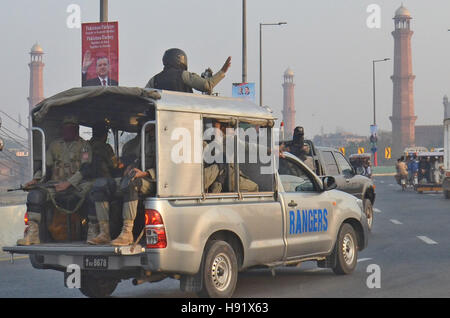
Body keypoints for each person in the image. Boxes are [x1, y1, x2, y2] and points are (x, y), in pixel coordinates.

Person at [17, 116, 93, 246]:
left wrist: (68, 183)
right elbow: (46, 166)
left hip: (78, 185)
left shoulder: (85, 146)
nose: (67, 131)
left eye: (70, 128)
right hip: (56, 185)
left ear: (76, 130)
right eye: (65, 128)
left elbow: (86, 169)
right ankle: (33, 234)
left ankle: (92, 232)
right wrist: (35, 179)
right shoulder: (54, 145)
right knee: (35, 195)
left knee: (93, 193)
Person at [88, 124, 156, 246]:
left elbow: (168, 167)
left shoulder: (164, 139)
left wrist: (145, 173)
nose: (146, 129)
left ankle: (127, 232)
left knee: (130, 184)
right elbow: (138, 158)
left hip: (153, 181)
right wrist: (131, 166)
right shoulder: (144, 140)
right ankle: (104, 233)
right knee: (100, 185)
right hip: (135, 175)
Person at [85, 123, 122, 242]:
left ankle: (92, 232)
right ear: (104, 135)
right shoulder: (105, 148)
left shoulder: (86, 146)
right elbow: (114, 165)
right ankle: (106, 232)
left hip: (85, 182)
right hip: (103, 183)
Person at [145, 48, 231, 94]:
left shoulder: (154, 79)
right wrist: (222, 71)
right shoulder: (183, 75)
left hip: (160, 117)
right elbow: (206, 85)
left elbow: (144, 96)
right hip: (185, 115)